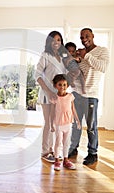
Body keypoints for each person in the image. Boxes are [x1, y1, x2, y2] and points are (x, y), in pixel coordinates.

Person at [68, 28, 110, 165]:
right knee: (76, 125)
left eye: (87, 36)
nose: (84, 38)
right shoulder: (81, 52)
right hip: (77, 94)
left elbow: (102, 67)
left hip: (91, 95)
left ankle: (92, 153)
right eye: (81, 37)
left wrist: (86, 56)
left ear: (93, 36)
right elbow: (82, 72)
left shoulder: (102, 51)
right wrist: (77, 60)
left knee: (91, 126)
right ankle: (73, 148)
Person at [34, 31, 68, 163]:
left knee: (55, 124)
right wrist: (48, 91)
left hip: (59, 95)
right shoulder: (45, 55)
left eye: (59, 40)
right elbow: (37, 75)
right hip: (47, 94)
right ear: (49, 42)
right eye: (53, 40)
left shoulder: (63, 57)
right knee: (48, 123)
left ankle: (53, 149)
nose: (56, 42)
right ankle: (45, 151)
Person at [50, 74, 81, 170]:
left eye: (64, 85)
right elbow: (52, 112)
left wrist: (77, 120)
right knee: (58, 143)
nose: (62, 87)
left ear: (67, 85)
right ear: (55, 85)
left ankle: (66, 160)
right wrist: (51, 124)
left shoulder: (70, 96)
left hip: (68, 123)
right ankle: (57, 161)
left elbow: (73, 109)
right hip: (59, 124)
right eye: (60, 85)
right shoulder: (55, 98)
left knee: (66, 142)